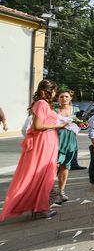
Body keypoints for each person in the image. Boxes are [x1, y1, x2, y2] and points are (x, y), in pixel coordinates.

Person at [0, 80, 68, 220]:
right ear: (48, 91)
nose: (55, 94)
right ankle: (40, 208)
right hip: (43, 142)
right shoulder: (42, 103)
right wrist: (58, 126)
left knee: (45, 174)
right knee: (43, 174)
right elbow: (37, 125)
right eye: (54, 91)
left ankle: (39, 206)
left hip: (47, 141)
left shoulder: (43, 104)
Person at [53, 89, 80, 203]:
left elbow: (80, 123)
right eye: (62, 97)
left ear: (70, 98)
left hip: (71, 140)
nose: (64, 99)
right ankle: (50, 191)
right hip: (57, 139)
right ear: (58, 98)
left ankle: (61, 191)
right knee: (54, 166)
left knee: (66, 166)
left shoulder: (76, 110)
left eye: (66, 97)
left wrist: (80, 124)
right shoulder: (53, 110)